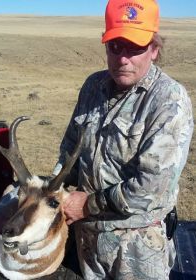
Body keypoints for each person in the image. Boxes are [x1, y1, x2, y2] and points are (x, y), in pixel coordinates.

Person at [53, 0, 194, 279]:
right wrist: (52, 189)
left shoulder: (169, 100)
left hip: (137, 250)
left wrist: (87, 204)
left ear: (154, 49)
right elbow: (69, 150)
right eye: (115, 46)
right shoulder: (93, 86)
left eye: (135, 47)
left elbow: (150, 187)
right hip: (86, 243)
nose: (123, 58)